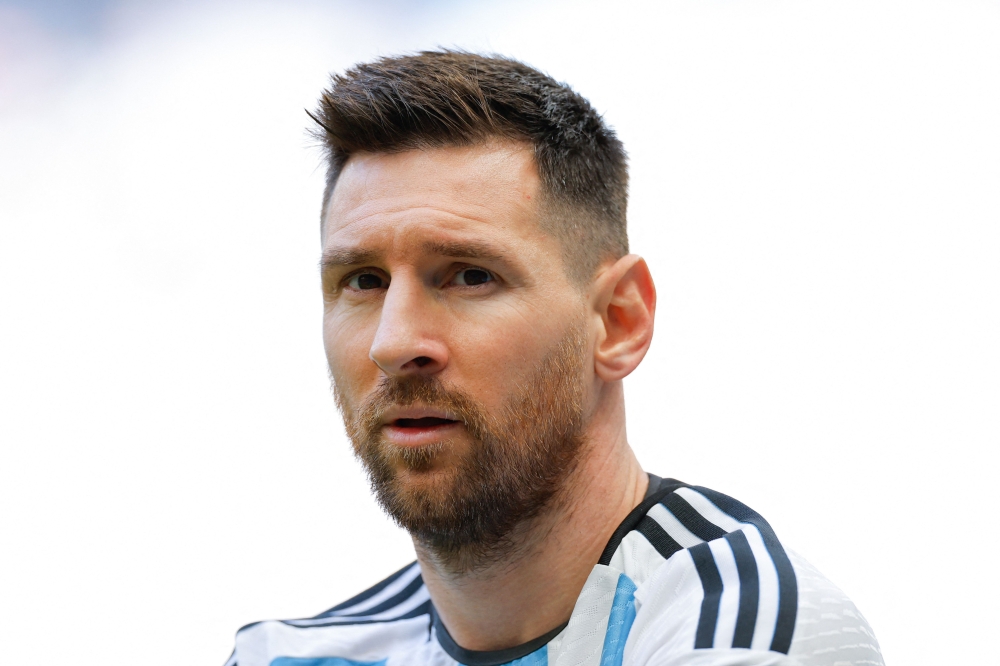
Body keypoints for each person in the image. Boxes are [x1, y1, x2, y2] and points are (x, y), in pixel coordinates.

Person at [225, 51, 883, 666]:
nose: (394, 344)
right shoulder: (286, 654)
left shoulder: (748, 630)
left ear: (619, 320)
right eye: (364, 281)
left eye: (469, 275)